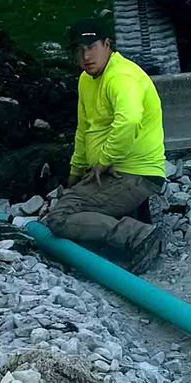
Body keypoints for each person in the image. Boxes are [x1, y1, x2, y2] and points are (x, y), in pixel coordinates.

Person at [48, 24, 166, 266]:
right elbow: (85, 129)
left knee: (59, 218)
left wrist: (104, 161)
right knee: (74, 205)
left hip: (133, 174)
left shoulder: (121, 77)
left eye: (91, 48)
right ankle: (132, 221)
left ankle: (139, 235)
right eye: (79, 50)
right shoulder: (86, 79)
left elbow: (129, 119)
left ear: (107, 45)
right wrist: (76, 171)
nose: (86, 57)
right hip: (116, 172)